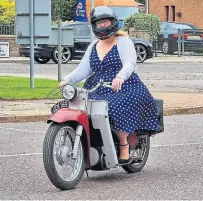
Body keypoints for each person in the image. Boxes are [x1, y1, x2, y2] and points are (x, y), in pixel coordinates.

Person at [59, 6, 159, 164]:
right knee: (78, 106)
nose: (103, 25)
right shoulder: (94, 46)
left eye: (105, 21)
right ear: (94, 25)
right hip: (97, 86)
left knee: (112, 107)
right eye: (99, 23)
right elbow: (83, 69)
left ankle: (124, 144)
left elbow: (130, 63)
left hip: (125, 85)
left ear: (112, 22)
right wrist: (68, 80)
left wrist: (120, 76)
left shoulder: (123, 41)